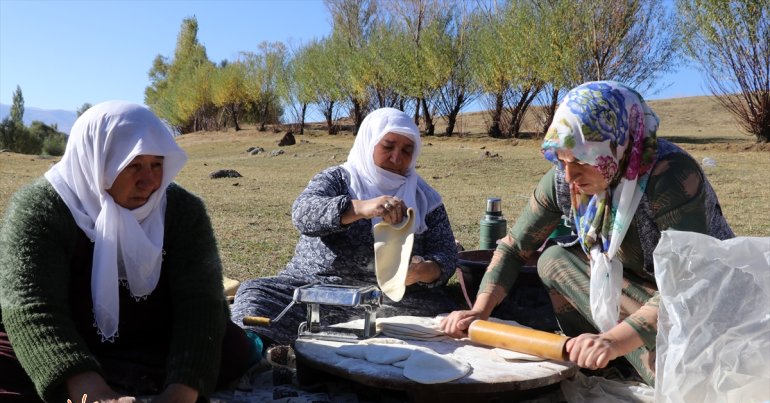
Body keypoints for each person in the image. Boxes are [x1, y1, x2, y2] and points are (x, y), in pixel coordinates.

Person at [0, 101, 258, 403]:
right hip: (72, 339)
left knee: (231, 347)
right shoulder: (39, 209)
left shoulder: (183, 211)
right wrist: (94, 396)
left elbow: (202, 303)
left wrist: (182, 391)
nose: (150, 180)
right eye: (134, 165)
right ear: (97, 161)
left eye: (157, 164)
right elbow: (32, 308)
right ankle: (106, 385)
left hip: (151, 340)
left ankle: (129, 385)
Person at [441, 81, 733, 385]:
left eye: (582, 160)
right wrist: (479, 311)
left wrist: (614, 342)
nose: (570, 175)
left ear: (618, 147)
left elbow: (690, 281)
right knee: (553, 260)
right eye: (562, 159)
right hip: (638, 292)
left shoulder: (670, 177)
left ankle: (630, 357)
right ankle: (606, 364)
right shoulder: (564, 179)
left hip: (705, 300)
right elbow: (515, 248)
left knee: (683, 382)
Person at [232, 107, 458, 346]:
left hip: (391, 301)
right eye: (388, 146)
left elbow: (446, 253)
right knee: (257, 295)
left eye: (406, 150)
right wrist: (359, 208)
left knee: (447, 316)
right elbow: (303, 213)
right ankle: (253, 351)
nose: (396, 158)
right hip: (319, 291)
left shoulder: (425, 198)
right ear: (369, 142)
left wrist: (423, 271)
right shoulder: (339, 179)